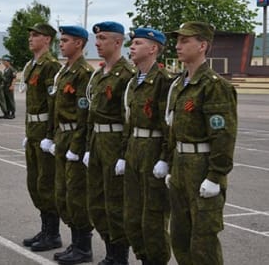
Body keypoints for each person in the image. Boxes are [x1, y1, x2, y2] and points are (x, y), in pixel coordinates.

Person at [165, 21, 237, 265]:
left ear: (202, 45)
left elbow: (224, 135)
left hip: (202, 166)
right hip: (180, 166)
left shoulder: (215, 86)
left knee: (203, 240)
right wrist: (169, 164)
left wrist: (215, 175)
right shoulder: (179, 85)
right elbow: (172, 129)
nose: (178, 45)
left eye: (185, 41)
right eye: (177, 41)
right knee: (180, 236)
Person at [84, 21, 136, 265]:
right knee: (96, 201)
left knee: (115, 203)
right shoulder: (99, 73)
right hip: (96, 140)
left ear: (118, 42)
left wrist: (124, 154)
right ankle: (109, 250)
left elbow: (129, 119)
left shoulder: (127, 74)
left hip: (115, 142)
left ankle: (119, 256)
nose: (97, 42)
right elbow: (91, 114)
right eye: (97, 38)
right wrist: (86, 147)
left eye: (103, 38)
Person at [122, 28, 173, 265]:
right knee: (132, 216)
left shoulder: (164, 82)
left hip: (153, 150)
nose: (132, 47)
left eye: (138, 43)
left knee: (153, 217)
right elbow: (128, 120)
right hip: (134, 148)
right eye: (132, 43)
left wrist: (165, 157)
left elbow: (168, 125)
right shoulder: (134, 81)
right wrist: (124, 154)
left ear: (153, 49)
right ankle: (143, 259)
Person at [49, 25, 94, 265]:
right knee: (63, 193)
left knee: (76, 194)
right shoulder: (65, 71)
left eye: (65, 40)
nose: (61, 44)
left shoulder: (83, 73)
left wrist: (77, 148)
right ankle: (75, 243)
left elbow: (83, 115)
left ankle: (83, 247)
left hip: (73, 137)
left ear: (79, 44)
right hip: (62, 136)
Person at [21, 23, 62, 252]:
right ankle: (45, 229)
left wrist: (50, 135)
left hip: (44, 133)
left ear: (47, 40)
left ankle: (53, 234)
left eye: (35, 35)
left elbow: (52, 104)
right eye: (31, 34)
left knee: (46, 183)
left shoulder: (50, 66)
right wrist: (29, 133)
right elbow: (30, 105)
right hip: (33, 131)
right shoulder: (32, 66)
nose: (31, 38)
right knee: (34, 183)